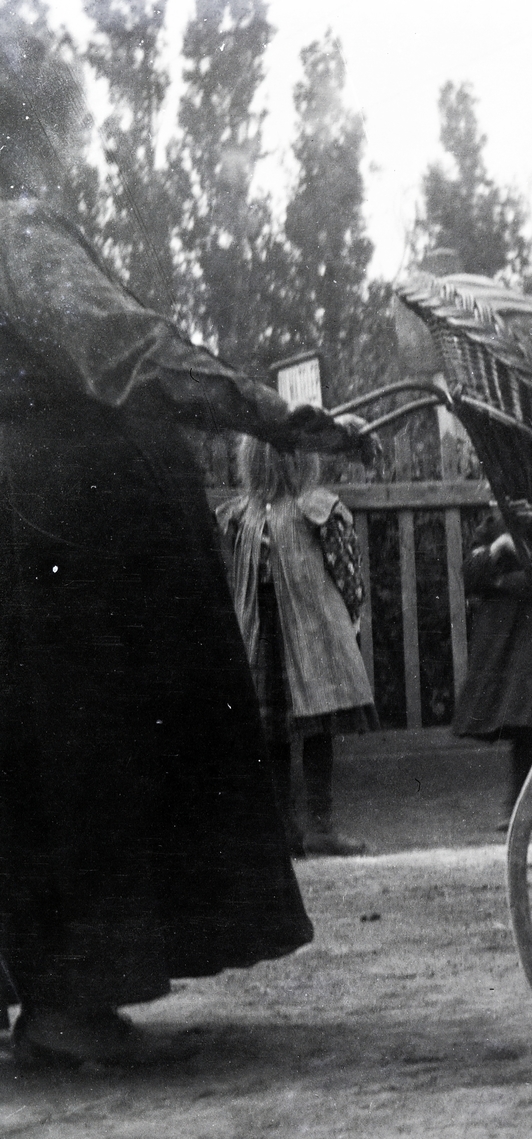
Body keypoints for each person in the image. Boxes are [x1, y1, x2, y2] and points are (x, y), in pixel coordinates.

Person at [0, 50, 368, 1067]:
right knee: (87, 756)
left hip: (40, 538)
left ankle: (53, 991)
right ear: (32, 130)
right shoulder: (19, 228)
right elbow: (127, 352)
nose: (73, 150)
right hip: (62, 542)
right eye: (64, 128)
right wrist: (277, 414)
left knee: (32, 760)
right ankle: (67, 1004)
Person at [215, 439, 378, 856]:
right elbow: (347, 571)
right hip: (312, 634)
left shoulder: (245, 515)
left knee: (275, 735)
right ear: (304, 459)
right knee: (315, 728)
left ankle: (287, 829)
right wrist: (352, 611)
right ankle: (317, 825)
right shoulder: (315, 509)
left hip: (263, 635)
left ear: (249, 462)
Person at [453, 516, 532, 830]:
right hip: (503, 640)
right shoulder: (491, 529)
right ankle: (525, 802)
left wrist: (500, 583)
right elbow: (470, 575)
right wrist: (497, 549)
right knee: (520, 717)